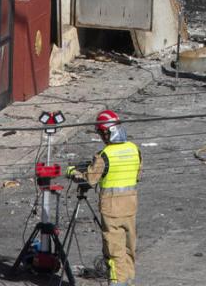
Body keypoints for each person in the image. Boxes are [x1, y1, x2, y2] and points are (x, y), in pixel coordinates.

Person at [70, 110, 141, 285]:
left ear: (107, 132)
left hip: (112, 210)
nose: (102, 136)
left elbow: (90, 180)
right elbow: (137, 175)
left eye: (102, 133)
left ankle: (118, 282)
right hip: (130, 206)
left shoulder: (104, 155)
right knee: (129, 248)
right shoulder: (134, 149)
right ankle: (129, 279)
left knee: (114, 250)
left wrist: (72, 172)